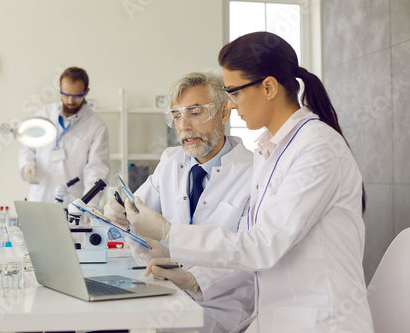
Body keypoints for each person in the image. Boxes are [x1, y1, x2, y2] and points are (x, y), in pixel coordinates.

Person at [124, 32, 374, 333]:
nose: (231, 104)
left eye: (236, 92)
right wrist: (193, 277)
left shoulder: (317, 149)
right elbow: (253, 244)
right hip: (276, 316)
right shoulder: (271, 150)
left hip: (321, 321)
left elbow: (262, 246)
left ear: (269, 87)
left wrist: (169, 233)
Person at [104, 71, 255, 333]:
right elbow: (135, 210)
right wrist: (118, 212)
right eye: (176, 115)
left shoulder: (254, 173)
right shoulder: (171, 160)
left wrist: (193, 279)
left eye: (195, 113)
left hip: (220, 306)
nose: (183, 126)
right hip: (168, 291)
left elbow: (252, 253)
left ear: (223, 113)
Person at [19, 67, 110, 207]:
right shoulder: (45, 114)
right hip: (40, 198)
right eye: (65, 95)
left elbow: (96, 170)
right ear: (60, 88)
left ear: (86, 92)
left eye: (76, 96)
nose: (70, 101)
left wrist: (90, 206)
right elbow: (29, 147)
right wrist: (27, 165)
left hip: (73, 204)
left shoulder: (96, 126)